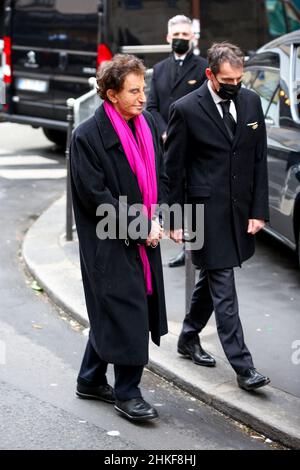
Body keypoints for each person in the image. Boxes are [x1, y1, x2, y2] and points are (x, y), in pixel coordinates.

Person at [164, 42, 271, 391]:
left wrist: (259, 210)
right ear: (210, 74)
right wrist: (175, 219)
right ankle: (244, 368)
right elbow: (173, 169)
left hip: (239, 212)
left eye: (239, 78)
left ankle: (188, 338)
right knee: (223, 284)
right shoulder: (185, 109)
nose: (235, 85)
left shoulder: (251, 101)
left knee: (210, 281)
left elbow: (258, 160)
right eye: (227, 79)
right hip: (202, 214)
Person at [70, 54, 168, 421]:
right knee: (128, 311)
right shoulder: (86, 137)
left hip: (141, 235)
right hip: (108, 243)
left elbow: (158, 178)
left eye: (144, 89)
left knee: (115, 311)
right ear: (111, 94)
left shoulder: (146, 124)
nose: (143, 97)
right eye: (134, 91)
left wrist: (157, 219)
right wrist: (143, 228)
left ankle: (90, 379)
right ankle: (127, 393)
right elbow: (98, 199)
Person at [147, 14, 208, 268]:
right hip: (165, 145)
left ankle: (191, 246)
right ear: (168, 38)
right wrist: (164, 130)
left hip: (192, 144)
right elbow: (151, 106)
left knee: (190, 192)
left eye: (185, 35)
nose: (181, 39)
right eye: (176, 36)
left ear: (192, 38)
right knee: (169, 190)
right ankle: (176, 234)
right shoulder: (160, 69)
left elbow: (205, 106)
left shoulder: (203, 66)